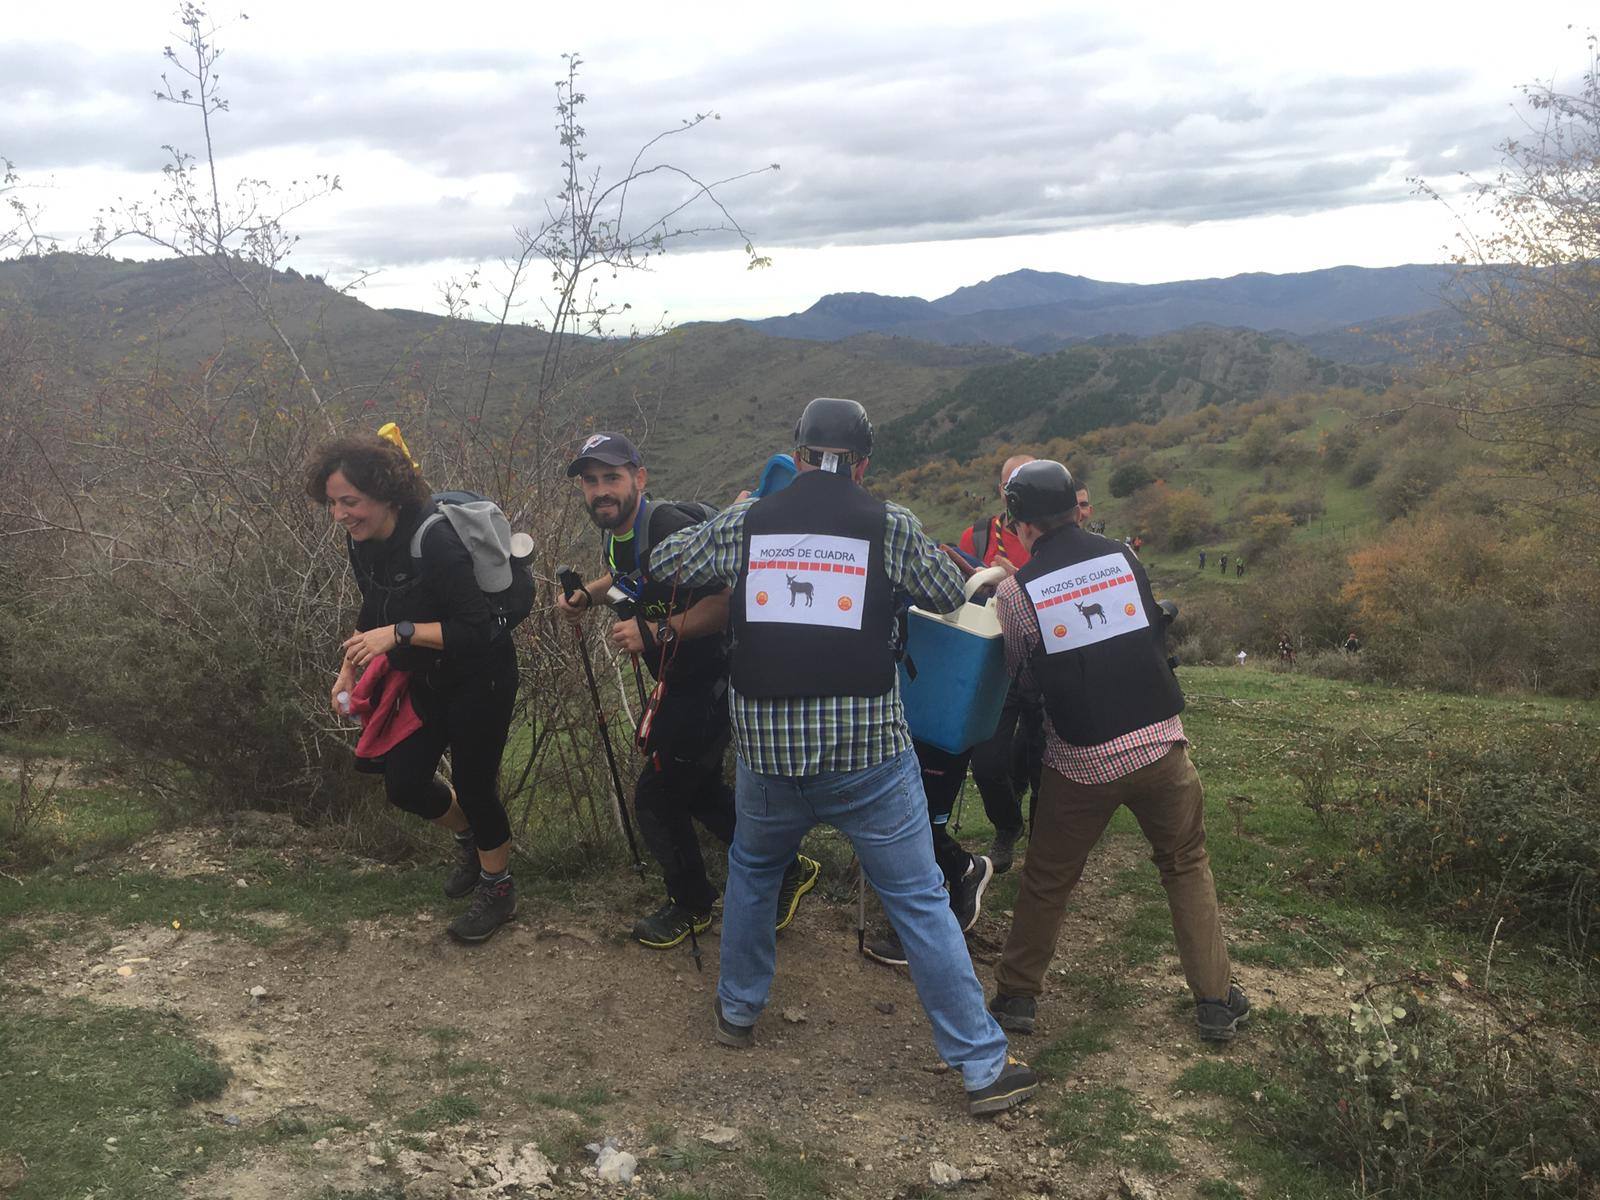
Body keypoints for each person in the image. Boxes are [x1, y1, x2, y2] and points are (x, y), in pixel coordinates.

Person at [649, 397, 1037, 1117]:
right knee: (919, 899)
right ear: (863, 463)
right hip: (868, 761)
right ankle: (982, 1069)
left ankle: (737, 1014)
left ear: (796, 455)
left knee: (754, 874)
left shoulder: (750, 521)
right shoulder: (888, 524)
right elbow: (948, 589)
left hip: (768, 757)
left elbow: (667, 561)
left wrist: (734, 513)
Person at [985, 461, 1249, 1043]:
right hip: (1162, 746)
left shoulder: (1017, 593)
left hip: (1082, 762)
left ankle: (1017, 998)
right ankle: (1215, 1002)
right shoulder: (1122, 556)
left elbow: (1022, 677)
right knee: (1185, 866)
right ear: (1074, 507)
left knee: (1048, 879)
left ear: (1019, 521)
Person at [556, 432, 819, 949]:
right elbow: (628, 574)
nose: (600, 491)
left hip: (713, 681)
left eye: (612, 478)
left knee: (655, 796)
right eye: (590, 482)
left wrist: (653, 632)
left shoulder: (668, 527)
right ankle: (790, 865)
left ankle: (692, 903)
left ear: (640, 479)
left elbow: (724, 604)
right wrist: (588, 595)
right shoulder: (620, 534)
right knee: (696, 790)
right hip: (680, 679)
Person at [308, 434, 521, 944]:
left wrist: (401, 634)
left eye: (349, 502)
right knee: (404, 783)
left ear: (385, 495)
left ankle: (499, 887)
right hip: (425, 677)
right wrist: (350, 666)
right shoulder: (362, 544)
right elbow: (376, 608)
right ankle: (470, 838)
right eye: (333, 502)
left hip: (480, 676)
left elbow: (475, 629)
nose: (339, 514)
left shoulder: (435, 541)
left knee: (474, 784)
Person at [958, 455, 1046, 872]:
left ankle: (1046, 849)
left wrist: (1014, 581)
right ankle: (1008, 826)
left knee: (1043, 760)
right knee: (988, 762)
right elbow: (958, 597)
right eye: (1014, 484)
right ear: (1002, 491)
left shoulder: (1054, 538)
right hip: (996, 663)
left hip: (1047, 665)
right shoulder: (976, 537)